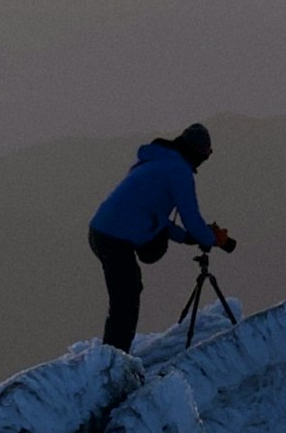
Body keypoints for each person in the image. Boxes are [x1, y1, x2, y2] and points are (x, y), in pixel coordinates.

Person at [85, 125, 235, 351]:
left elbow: (156, 217)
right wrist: (210, 239)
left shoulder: (157, 162)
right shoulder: (179, 171)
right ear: (198, 152)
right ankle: (112, 361)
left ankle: (114, 354)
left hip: (102, 232)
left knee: (129, 291)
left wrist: (187, 238)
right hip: (115, 238)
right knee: (125, 301)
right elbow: (191, 217)